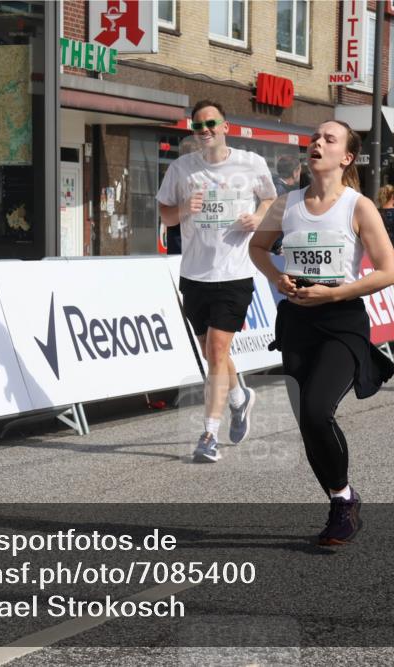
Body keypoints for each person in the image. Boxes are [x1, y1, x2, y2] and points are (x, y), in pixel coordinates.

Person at [249, 119, 394, 545]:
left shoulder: (358, 206)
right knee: (307, 423)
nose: (317, 142)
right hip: (297, 320)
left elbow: (388, 272)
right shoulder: (286, 204)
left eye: (328, 139)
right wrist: (277, 277)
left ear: (346, 157)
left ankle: (342, 503)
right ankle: (342, 500)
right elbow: (256, 247)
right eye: (315, 137)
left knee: (317, 410)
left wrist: (334, 294)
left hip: (341, 320)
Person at [156, 100, 277, 462]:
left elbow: (271, 199)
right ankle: (240, 398)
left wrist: (258, 217)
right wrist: (182, 210)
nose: (205, 130)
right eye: (198, 126)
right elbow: (165, 214)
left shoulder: (251, 163)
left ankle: (208, 434)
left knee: (217, 353)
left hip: (234, 274)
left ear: (226, 126)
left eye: (211, 123)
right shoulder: (181, 169)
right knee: (212, 349)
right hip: (195, 275)